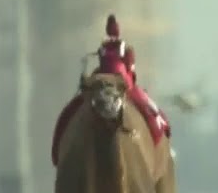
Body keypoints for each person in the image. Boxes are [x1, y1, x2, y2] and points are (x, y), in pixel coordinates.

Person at [50, 14, 172, 166]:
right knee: (151, 110)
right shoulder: (123, 49)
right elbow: (131, 71)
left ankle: (57, 151)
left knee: (69, 111)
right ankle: (159, 140)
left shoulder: (106, 48)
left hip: (108, 82)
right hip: (122, 82)